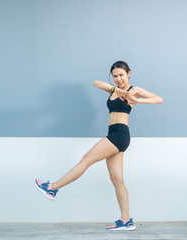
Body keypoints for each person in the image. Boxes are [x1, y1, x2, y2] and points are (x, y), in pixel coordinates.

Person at [35, 61, 163, 231]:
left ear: (129, 74)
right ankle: (126, 220)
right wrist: (115, 89)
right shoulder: (114, 89)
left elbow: (159, 99)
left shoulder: (134, 90)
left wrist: (138, 100)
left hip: (120, 134)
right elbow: (96, 83)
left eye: (121, 75)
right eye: (115, 76)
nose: (118, 79)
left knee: (86, 159)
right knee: (117, 180)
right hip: (114, 134)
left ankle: (52, 188)